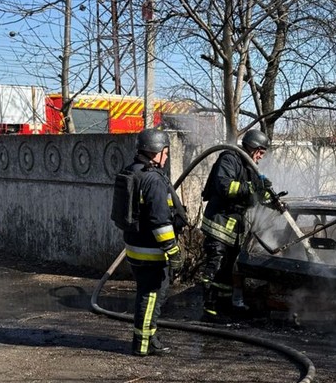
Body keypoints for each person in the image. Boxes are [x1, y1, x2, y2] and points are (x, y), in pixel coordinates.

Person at [114, 128, 186, 356]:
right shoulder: (153, 179)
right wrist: (173, 252)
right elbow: (160, 222)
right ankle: (143, 344)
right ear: (157, 152)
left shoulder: (132, 171)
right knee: (152, 295)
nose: (167, 157)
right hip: (152, 250)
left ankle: (149, 337)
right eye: (166, 152)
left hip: (135, 246)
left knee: (147, 293)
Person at [199, 128, 275, 322]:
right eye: (259, 152)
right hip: (219, 222)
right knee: (215, 266)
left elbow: (256, 194)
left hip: (234, 225)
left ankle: (222, 308)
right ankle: (209, 307)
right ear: (250, 147)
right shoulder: (230, 159)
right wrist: (252, 187)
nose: (259, 157)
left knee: (227, 270)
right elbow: (226, 187)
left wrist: (270, 197)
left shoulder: (250, 166)